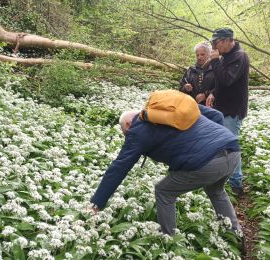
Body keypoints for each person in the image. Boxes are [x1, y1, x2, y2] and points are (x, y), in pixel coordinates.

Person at [89, 104, 241, 235]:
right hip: (232, 150)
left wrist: (96, 204)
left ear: (128, 125)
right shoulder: (169, 110)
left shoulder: (137, 130)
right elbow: (217, 115)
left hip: (209, 163)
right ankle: (235, 234)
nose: (127, 138)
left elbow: (119, 167)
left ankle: (168, 239)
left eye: (124, 134)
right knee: (215, 191)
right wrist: (215, 141)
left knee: (164, 191)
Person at [206, 28, 249, 196]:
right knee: (221, 144)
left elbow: (227, 80)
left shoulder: (240, 56)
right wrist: (213, 93)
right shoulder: (226, 57)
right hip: (222, 108)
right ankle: (220, 178)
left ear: (226, 41)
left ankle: (236, 184)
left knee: (231, 146)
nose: (214, 47)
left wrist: (215, 61)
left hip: (232, 110)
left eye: (215, 43)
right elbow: (221, 83)